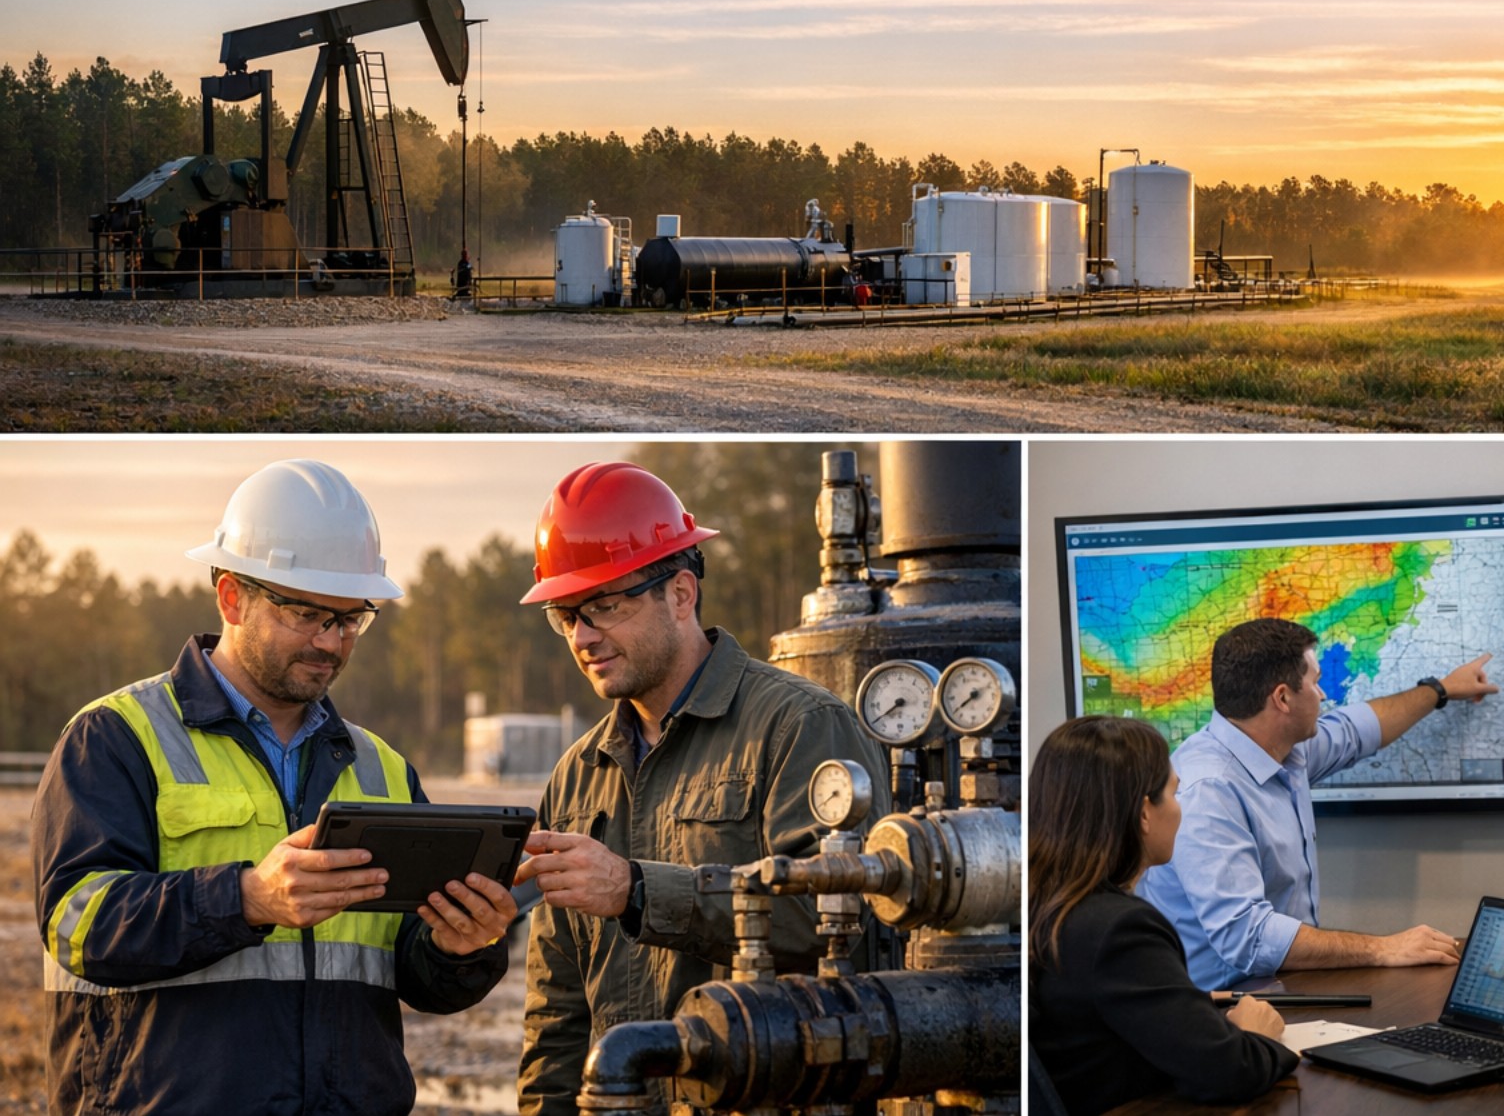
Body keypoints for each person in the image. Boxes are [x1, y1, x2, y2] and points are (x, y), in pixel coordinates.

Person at [33, 459, 515, 1116]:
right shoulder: (116, 737)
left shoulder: (383, 766)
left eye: (351, 619)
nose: (331, 642)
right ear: (232, 597)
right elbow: (76, 925)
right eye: (308, 613)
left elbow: (414, 973)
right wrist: (247, 898)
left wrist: (460, 947)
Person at [514, 461, 891, 1116]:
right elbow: (557, 1001)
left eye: (603, 606)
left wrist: (636, 889)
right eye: (566, 615)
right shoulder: (577, 775)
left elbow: (838, 924)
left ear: (681, 593)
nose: (582, 636)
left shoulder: (798, 726)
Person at [1140, 616, 1500, 990]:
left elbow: (1356, 730)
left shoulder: (1283, 749)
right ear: (1282, 698)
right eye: (1315, 682)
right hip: (1220, 1009)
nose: (1323, 694)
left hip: (1283, 990)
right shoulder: (1207, 790)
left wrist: (1440, 689)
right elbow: (1248, 936)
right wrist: (1384, 949)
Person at [1031, 715, 1298, 1116]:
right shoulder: (1120, 930)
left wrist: (1184, 1005)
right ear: (1144, 813)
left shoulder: (1044, 906)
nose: (1179, 809)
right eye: (1174, 793)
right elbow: (1229, 1070)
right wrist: (1257, 1035)